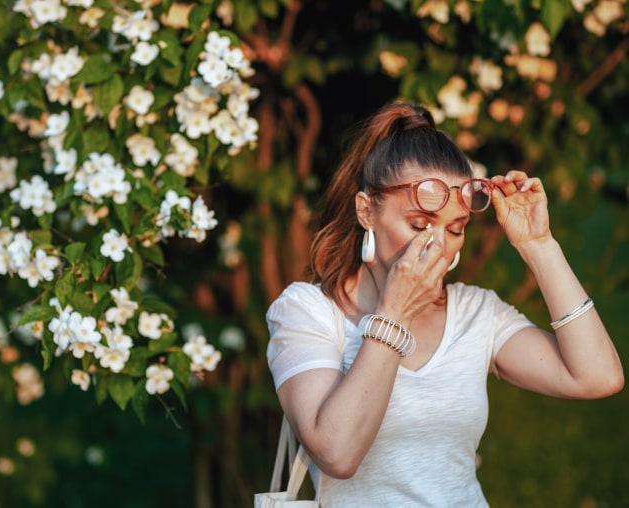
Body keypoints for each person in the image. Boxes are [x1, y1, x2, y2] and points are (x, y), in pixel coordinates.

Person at [265, 101, 624, 506]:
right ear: (366, 211)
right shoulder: (306, 311)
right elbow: (337, 453)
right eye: (419, 224)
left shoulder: (475, 312)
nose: (437, 244)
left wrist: (537, 245)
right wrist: (395, 311)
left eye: (455, 229)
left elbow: (597, 378)